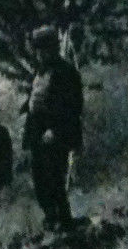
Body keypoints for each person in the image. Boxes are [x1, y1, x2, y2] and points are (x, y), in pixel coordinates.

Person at [22, 26, 84, 230]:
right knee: (39, 178)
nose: (39, 54)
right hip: (38, 132)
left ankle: (63, 220)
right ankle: (51, 217)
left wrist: (55, 130)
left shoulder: (66, 72)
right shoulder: (40, 72)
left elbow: (73, 106)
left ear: (52, 49)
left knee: (55, 178)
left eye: (43, 50)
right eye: (37, 50)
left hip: (56, 134)